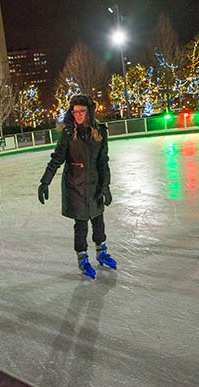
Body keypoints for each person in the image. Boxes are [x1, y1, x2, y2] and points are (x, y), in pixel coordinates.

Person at [38, 95, 117, 280]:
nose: (78, 115)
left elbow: (102, 161)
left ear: (89, 111)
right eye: (75, 112)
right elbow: (57, 158)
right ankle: (82, 257)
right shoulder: (68, 134)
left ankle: (101, 252)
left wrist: (105, 186)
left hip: (94, 184)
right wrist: (45, 181)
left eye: (82, 111)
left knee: (98, 220)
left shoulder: (99, 132)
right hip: (75, 186)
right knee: (81, 224)